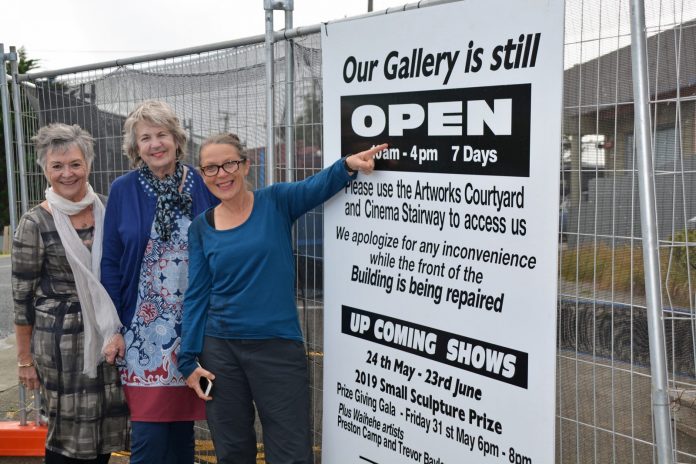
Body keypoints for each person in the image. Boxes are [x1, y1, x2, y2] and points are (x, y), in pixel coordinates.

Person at [178, 132, 388, 464]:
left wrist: (347, 165)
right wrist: (187, 359)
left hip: (276, 347)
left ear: (245, 165)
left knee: (290, 451)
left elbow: (314, 187)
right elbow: (197, 294)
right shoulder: (201, 228)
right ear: (203, 175)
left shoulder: (275, 202)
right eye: (211, 168)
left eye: (229, 163)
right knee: (232, 451)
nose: (222, 174)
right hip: (219, 350)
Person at [100, 100, 218, 464]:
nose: (155, 144)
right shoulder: (123, 189)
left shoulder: (202, 183)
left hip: (193, 331)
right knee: (149, 440)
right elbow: (111, 262)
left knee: (183, 433)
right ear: (136, 147)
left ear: (177, 139)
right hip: (141, 334)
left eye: (162, 134)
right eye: (145, 137)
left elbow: (220, 247)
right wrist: (114, 327)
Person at [12, 123, 128, 464]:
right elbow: (21, 299)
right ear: (45, 169)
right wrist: (24, 361)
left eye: (75, 163)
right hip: (60, 345)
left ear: (88, 164)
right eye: (57, 166)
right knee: (67, 436)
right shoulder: (34, 223)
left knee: (104, 429)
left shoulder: (109, 208)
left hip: (108, 336)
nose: (67, 173)